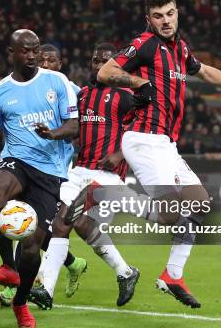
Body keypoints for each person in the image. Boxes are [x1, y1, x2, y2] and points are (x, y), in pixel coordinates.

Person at [97, 0, 221, 308]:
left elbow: (204, 71)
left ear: (177, 13)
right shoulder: (145, 44)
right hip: (143, 139)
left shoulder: (181, 49)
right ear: (148, 19)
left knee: (201, 205)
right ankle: (113, 196)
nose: (165, 21)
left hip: (166, 144)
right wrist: (139, 83)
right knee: (171, 213)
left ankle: (173, 274)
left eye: (170, 13)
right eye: (158, 16)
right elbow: (105, 72)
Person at [0, 29, 79, 328]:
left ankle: (20, 302)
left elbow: (74, 125)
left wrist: (53, 133)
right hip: (18, 160)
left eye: (35, 50)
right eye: (26, 50)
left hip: (50, 171)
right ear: (11, 52)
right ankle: (8, 266)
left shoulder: (57, 82)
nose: (33, 55)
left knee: (33, 247)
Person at [29, 42, 144, 310]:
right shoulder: (82, 95)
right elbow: (74, 128)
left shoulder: (127, 96)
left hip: (107, 176)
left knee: (62, 221)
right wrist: (53, 133)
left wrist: (120, 154)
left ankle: (45, 288)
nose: (99, 66)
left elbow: (142, 132)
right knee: (75, 225)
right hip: (79, 170)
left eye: (106, 61)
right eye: (95, 61)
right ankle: (126, 272)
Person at [0, 43, 87, 307]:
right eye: (41, 60)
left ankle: (81, 265)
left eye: (50, 61)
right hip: (24, 164)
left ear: (60, 64)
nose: (44, 64)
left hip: (58, 167)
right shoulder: (21, 87)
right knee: (25, 221)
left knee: (61, 226)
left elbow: (81, 127)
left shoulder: (71, 91)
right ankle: (25, 280)